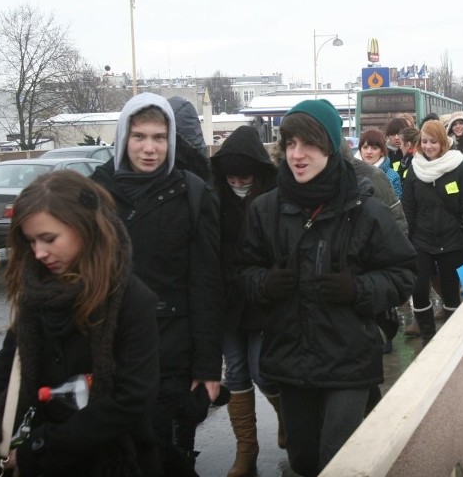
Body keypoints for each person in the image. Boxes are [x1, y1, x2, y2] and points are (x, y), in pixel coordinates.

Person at [236, 99, 416, 477]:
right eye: (290, 145)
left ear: (331, 147)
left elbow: (402, 274)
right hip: (290, 356)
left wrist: (358, 289)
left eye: (309, 144)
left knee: (339, 459)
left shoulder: (365, 210)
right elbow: (243, 271)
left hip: (349, 356)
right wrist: (265, 284)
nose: (297, 155)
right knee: (302, 459)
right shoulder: (264, 210)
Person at [0, 171, 159, 477]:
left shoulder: (132, 299)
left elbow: (131, 401)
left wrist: (40, 448)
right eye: (31, 241)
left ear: (85, 229)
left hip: (114, 460)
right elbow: (5, 370)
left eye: (49, 238)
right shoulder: (37, 292)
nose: (38, 253)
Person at [91, 93, 224, 476]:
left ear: (171, 142)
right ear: (123, 138)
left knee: (164, 458)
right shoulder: (94, 195)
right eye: (139, 137)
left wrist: (207, 365)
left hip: (172, 351)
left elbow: (206, 285)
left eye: (159, 138)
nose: (149, 148)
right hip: (106, 350)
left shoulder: (193, 194)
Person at [210, 126, 284, 477]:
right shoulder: (214, 198)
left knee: (262, 371)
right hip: (226, 304)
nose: (237, 182)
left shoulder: (273, 198)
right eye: (231, 177)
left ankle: (287, 418)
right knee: (236, 372)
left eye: (244, 176)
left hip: (260, 300)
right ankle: (246, 450)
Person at [402, 120, 463, 346]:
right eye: (425, 142)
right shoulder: (414, 169)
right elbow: (408, 208)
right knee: (419, 289)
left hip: (452, 240)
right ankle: (429, 339)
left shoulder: (457, 165)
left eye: (434, 142)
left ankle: (450, 340)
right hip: (421, 239)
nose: (429, 147)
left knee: (450, 291)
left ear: (443, 142)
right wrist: (404, 240)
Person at [357, 129, 403, 198]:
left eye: (374, 148)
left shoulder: (393, 176)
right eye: (365, 147)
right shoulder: (351, 173)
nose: (369, 152)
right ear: (360, 150)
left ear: (382, 152)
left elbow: (395, 205)